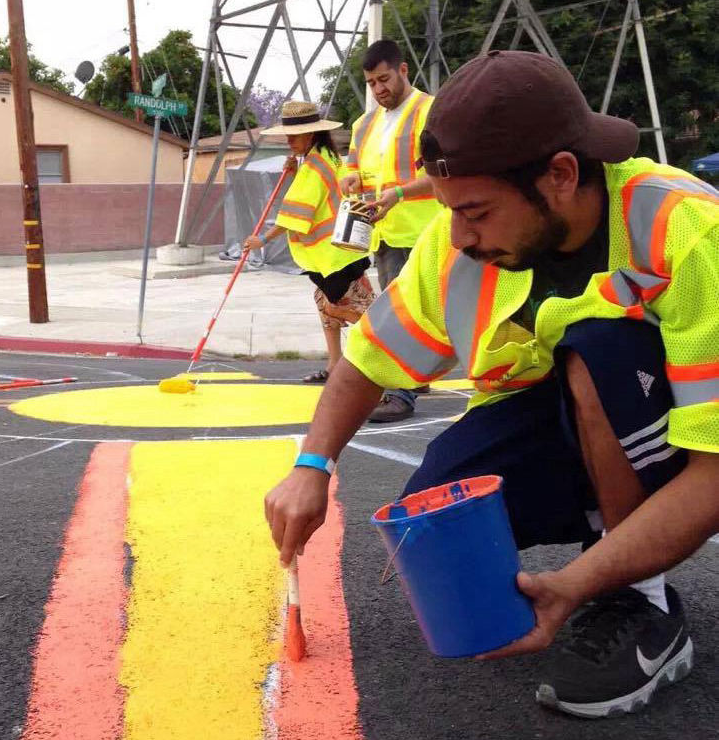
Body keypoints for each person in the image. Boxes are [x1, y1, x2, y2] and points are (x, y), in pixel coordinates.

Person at [264, 51, 718, 718]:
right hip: (577, 421)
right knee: (435, 517)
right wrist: (312, 465)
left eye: (475, 211)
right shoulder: (457, 247)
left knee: (596, 346)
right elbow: (365, 359)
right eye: (448, 210)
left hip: (682, 436)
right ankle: (610, 533)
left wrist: (575, 587)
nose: (459, 236)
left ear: (561, 175)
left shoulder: (681, 229)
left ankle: (641, 600)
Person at [340, 39, 443, 422]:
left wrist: (398, 193)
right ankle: (413, 379)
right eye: (371, 83)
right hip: (382, 234)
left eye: (384, 79)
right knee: (409, 312)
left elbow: (442, 171)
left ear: (403, 71)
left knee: (403, 313)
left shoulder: (430, 112)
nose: (379, 89)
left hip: (424, 231)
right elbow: (351, 166)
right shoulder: (363, 124)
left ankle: (401, 392)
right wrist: (350, 180)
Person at [243, 101, 375, 381]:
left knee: (352, 309)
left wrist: (262, 240)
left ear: (311, 134)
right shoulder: (327, 157)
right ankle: (335, 364)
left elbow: (296, 213)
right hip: (340, 252)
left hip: (333, 255)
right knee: (324, 302)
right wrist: (295, 170)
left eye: (294, 136)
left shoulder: (315, 166)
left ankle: (379, 363)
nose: (289, 141)